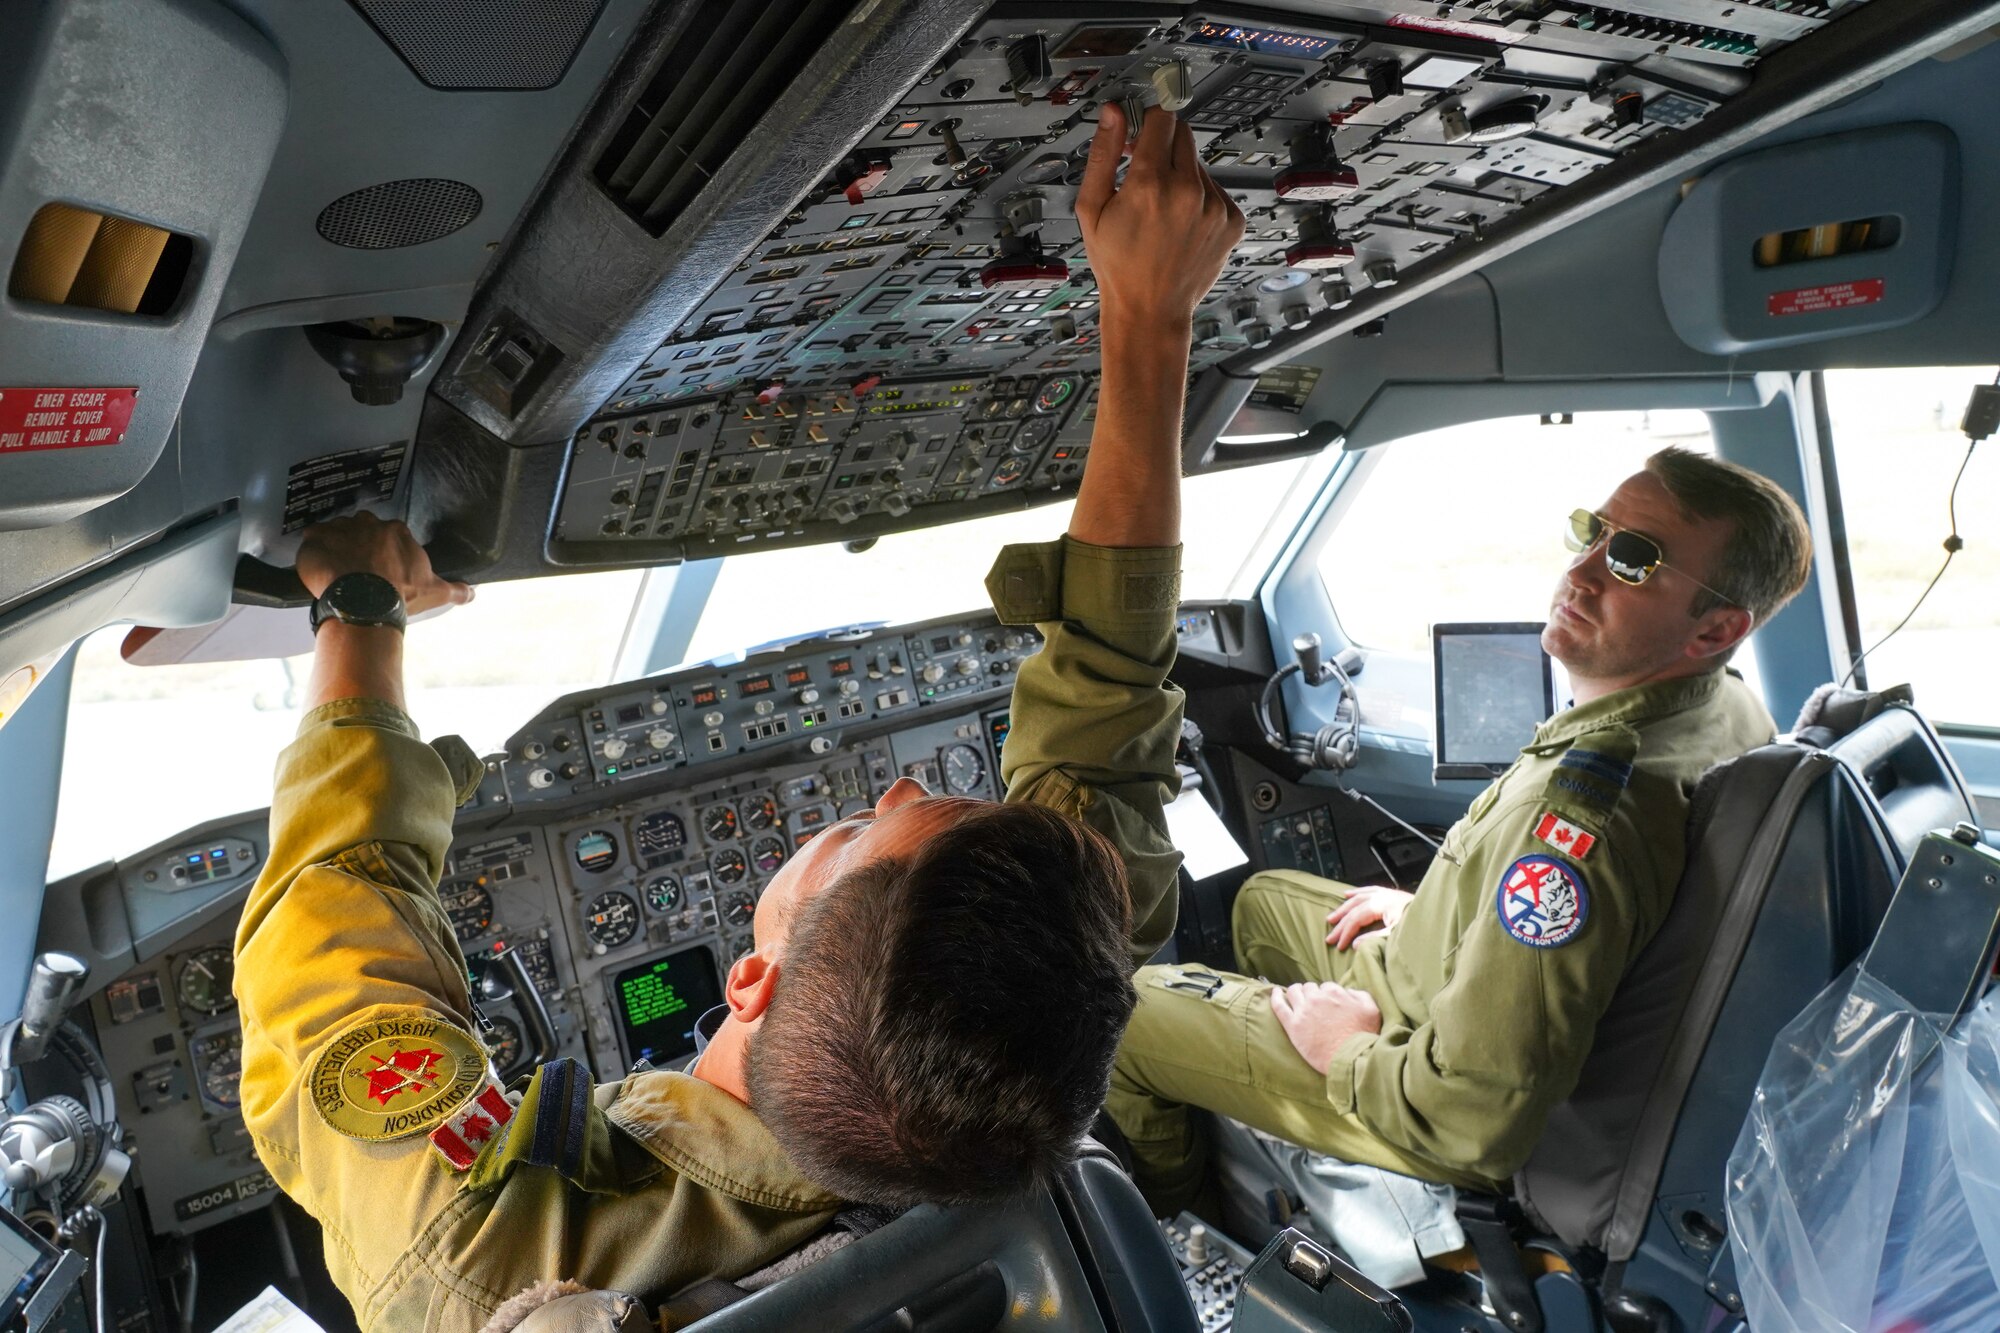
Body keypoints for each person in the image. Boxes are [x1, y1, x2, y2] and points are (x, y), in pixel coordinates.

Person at [231, 103, 1244, 1333]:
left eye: (857, 838)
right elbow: (1108, 688)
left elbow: (330, 926)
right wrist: (1148, 319)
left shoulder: (493, 1262)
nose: (889, 791)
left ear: (752, 977)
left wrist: (355, 593)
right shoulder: (1040, 1040)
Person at [1104, 449, 1814, 1262]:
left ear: (1716, 628)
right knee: (1261, 900)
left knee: (1131, 1009)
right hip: (1456, 987)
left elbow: (1471, 1119)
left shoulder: (1583, 822)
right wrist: (1427, 912)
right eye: (1594, 531)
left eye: (1632, 559)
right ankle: (1262, 1112)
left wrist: (1349, 1051)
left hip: (1436, 1089)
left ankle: (1186, 1241)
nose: (1580, 573)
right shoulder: (1723, 706)